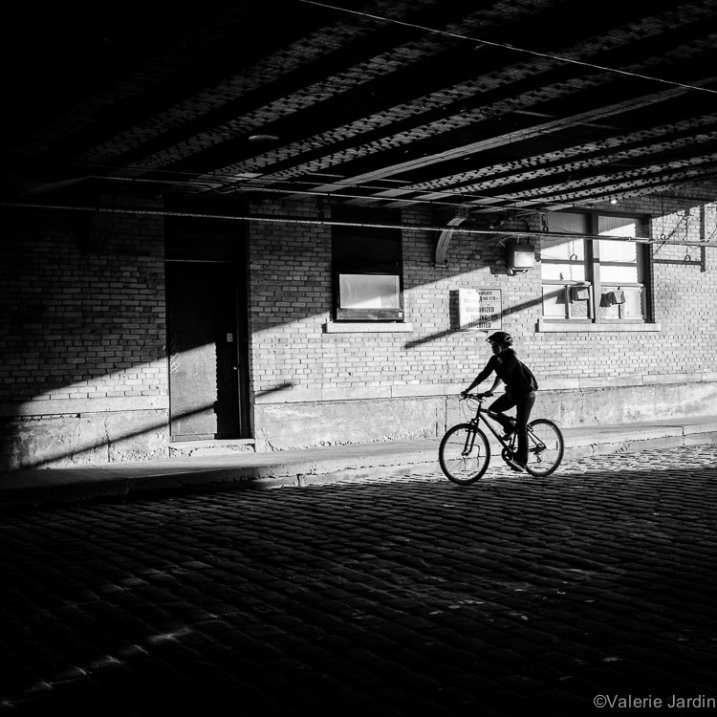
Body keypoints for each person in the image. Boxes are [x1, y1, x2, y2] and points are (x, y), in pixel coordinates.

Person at [460, 331, 538, 471]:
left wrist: (491, 390)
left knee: (521, 428)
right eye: (492, 345)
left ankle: (521, 462)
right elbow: (483, 375)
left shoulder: (511, 357)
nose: (493, 348)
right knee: (492, 411)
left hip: (526, 394)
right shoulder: (495, 359)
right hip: (513, 393)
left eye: (495, 345)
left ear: (503, 345)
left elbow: (502, 376)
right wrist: (468, 390)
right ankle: (510, 428)